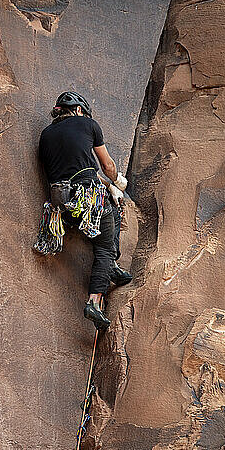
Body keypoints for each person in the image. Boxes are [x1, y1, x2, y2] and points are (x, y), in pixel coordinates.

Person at [38, 91, 132, 329]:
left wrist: (107, 186)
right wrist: (118, 182)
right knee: (105, 244)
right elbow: (107, 165)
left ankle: (111, 266)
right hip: (87, 197)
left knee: (104, 228)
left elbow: (75, 170)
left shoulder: (46, 134)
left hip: (61, 207)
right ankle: (94, 301)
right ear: (80, 110)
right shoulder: (88, 124)